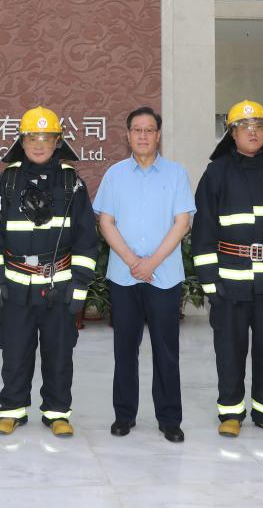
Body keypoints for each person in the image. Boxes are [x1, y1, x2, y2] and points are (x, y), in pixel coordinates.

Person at [0, 107, 98, 438]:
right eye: (32, 137)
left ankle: (57, 413)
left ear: (58, 141)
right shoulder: (6, 182)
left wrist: (79, 286)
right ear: (21, 141)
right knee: (15, 352)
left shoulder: (72, 183)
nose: (38, 144)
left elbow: (87, 240)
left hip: (59, 285)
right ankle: (12, 410)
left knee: (59, 353)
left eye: (46, 138)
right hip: (16, 287)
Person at [192, 100, 263, 439]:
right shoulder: (216, 173)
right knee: (229, 349)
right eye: (244, 127)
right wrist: (209, 281)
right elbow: (204, 231)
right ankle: (231, 412)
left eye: (258, 127)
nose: (252, 132)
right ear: (232, 133)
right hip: (230, 280)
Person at [93, 106, 194, 442]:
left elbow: (182, 222)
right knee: (125, 349)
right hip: (124, 277)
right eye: (137, 130)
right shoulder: (115, 175)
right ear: (127, 135)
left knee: (166, 350)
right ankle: (124, 415)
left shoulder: (176, 174)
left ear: (158, 135)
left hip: (164, 277)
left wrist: (151, 263)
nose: (143, 135)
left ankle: (169, 419)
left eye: (149, 130)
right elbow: (105, 221)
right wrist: (132, 260)